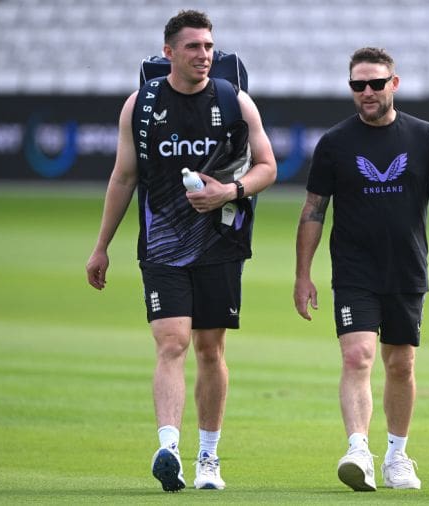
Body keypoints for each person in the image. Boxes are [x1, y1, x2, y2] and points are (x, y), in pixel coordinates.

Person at [85, 10, 276, 492]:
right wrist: (101, 246)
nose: (204, 55)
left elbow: (268, 167)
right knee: (172, 342)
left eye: (209, 46)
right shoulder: (141, 105)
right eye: (193, 47)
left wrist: (228, 192)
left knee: (211, 349)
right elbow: (123, 177)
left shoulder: (236, 102)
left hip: (220, 241)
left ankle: (208, 458)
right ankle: (168, 446)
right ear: (169, 52)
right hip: (163, 242)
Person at [293, 47, 429, 492]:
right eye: (357, 85)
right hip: (353, 270)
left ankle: (397, 456)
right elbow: (313, 212)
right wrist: (302, 274)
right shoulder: (335, 143)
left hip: (406, 269)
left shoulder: (425, 137)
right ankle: (358, 450)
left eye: (376, 83)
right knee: (357, 355)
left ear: (394, 85)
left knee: (400, 364)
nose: (366, 92)